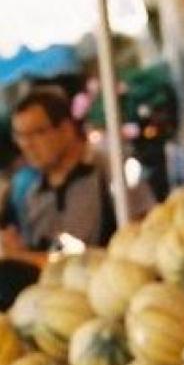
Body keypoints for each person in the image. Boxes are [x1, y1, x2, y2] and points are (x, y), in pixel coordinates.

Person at [0, 85, 151, 262]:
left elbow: (144, 237)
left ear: (66, 129)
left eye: (37, 133)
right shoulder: (29, 191)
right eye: (20, 136)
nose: (27, 145)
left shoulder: (112, 169)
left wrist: (23, 257)